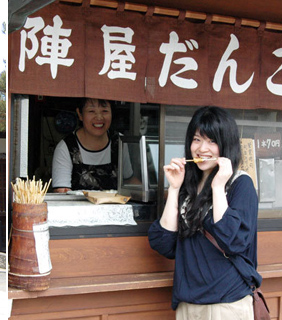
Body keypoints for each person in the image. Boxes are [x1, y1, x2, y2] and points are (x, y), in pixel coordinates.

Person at [147, 106, 260, 319]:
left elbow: (233, 241)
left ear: (226, 144)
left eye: (212, 141)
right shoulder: (188, 185)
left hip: (226, 303)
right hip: (188, 302)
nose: (202, 148)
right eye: (197, 139)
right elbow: (164, 244)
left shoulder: (240, 185)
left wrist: (218, 187)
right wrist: (173, 189)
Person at [51, 98, 133, 193]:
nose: (99, 117)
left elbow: (129, 181)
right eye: (91, 111)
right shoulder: (65, 147)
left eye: (104, 111)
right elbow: (61, 191)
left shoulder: (119, 142)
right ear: (80, 114)